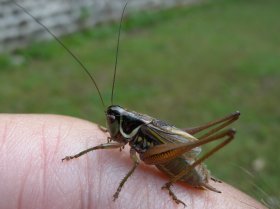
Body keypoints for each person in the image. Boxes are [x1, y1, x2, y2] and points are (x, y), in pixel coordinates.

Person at [0, 114, 266, 209]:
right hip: (167, 151)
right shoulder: (129, 127)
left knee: (140, 160)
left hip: (171, 162)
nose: (111, 126)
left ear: (124, 123)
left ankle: (171, 184)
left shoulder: (137, 134)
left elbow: (138, 160)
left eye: (114, 123)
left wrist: (79, 155)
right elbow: (115, 143)